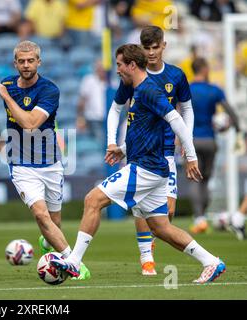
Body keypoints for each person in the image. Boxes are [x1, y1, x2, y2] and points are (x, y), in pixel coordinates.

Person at [50, 44, 226, 284]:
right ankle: (211, 262)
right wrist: (122, 149)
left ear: (132, 65)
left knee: (92, 199)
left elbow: (176, 119)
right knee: (161, 228)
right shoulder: (137, 89)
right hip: (150, 168)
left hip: (146, 168)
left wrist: (191, 155)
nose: (118, 70)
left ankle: (74, 262)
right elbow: (146, 131)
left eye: (120, 65)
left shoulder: (148, 91)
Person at [0, 40, 90, 280]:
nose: (26, 65)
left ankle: (48, 243)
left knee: (54, 221)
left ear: (39, 62)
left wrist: (6, 97)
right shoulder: (7, 83)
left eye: (30, 60)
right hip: (22, 165)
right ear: (15, 63)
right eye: (21, 61)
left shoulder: (49, 90)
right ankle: (73, 262)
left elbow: (30, 124)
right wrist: (7, 93)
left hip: (50, 163)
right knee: (40, 214)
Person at [107, 26, 194, 276]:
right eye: (147, 48)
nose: (152, 52)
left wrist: (186, 141)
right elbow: (116, 109)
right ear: (141, 50)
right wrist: (114, 143)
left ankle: (153, 246)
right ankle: (147, 258)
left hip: (166, 149)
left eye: (156, 47)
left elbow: (186, 110)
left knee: (166, 213)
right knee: (141, 206)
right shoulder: (133, 76)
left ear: (164, 46)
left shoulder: (176, 76)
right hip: (141, 151)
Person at [188, 57, 241, 234]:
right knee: (206, 179)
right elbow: (232, 114)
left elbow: (177, 112)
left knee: (195, 179)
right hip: (210, 141)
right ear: (203, 69)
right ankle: (202, 216)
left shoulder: (187, 89)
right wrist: (233, 128)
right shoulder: (214, 90)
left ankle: (200, 218)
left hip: (192, 140)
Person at [77, 59, 108, 142]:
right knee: (100, 141)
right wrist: (80, 118)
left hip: (108, 119)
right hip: (93, 118)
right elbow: (82, 100)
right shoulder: (89, 80)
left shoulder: (112, 81)